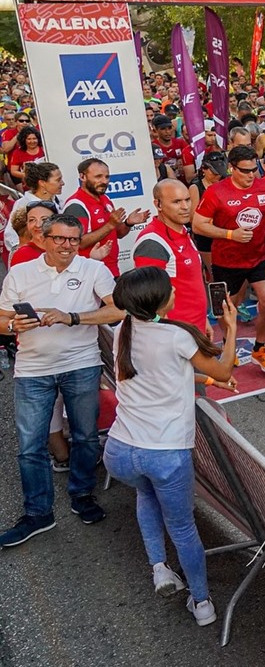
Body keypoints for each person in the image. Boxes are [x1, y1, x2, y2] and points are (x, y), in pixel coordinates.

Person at [102, 267, 239, 627]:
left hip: (120, 449)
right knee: (182, 527)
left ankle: (160, 569)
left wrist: (205, 378)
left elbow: (162, 370)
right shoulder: (177, 336)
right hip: (164, 453)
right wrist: (231, 327)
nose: (174, 290)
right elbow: (226, 369)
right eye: (169, 288)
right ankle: (203, 602)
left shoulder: (123, 332)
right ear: (159, 301)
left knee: (145, 497)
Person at [0, 214, 123, 548]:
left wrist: (73, 317)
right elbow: (1, 319)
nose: (66, 245)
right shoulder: (21, 272)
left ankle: (82, 494)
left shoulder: (93, 270)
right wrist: (14, 327)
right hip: (32, 370)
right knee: (29, 447)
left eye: (72, 239)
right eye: (59, 239)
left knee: (84, 437)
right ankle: (38, 514)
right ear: (44, 238)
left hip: (81, 366)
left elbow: (118, 310)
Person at [192, 144, 265, 373]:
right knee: (224, 309)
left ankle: (259, 349)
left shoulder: (264, 186)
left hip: (259, 255)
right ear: (232, 168)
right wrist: (230, 234)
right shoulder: (216, 192)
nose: (251, 175)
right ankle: (228, 343)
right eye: (245, 171)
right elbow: (198, 225)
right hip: (226, 261)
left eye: (254, 170)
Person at [132, 180, 208, 331]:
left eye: (187, 200)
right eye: (176, 202)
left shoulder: (182, 231)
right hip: (176, 334)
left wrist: (203, 320)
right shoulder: (152, 243)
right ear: (158, 204)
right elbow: (152, 302)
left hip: (195, 328)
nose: (185, 207)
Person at [62, 159, 151, 278]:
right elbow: (78, 243)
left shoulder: (105, 199)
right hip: (89, 274)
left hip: (111, 270)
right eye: (98, 177)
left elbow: (118, 233)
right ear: (82, 177)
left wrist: (129, 223)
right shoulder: (76, 205)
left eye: (107, 177)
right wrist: (110, 225)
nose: (104, 181)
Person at [4, 161, 63, 253]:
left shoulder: (58, 201)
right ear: (42, 183)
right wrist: (28, 253)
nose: (62, 183)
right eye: (58, 180)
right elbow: (10, 236)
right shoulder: (23, 205)